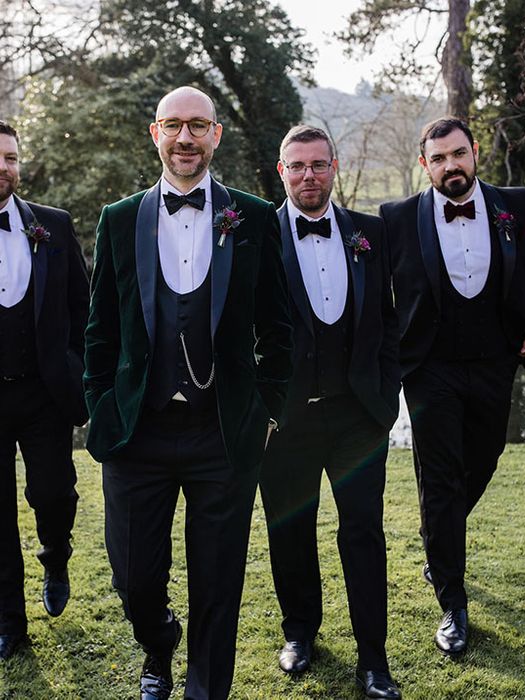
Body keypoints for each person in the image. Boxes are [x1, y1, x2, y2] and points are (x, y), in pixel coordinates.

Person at [83, 86, 293, 700]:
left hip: (222, 435)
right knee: (134, 579)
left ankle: (205, 689)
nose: (185, 139)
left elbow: (279, 330)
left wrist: (268, 410)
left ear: (216, 135)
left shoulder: (253, 218)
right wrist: (101, 407)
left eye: (197, 126)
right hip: (137, 434)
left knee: (218, 583)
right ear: (155, 133)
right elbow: (99, 332)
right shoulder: (118, 220)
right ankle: (158, 643)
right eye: (173, 126)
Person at [379, 117, 525, 657]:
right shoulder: (397, 218)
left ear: (474, 152)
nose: (450, 166)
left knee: (482, 460)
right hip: (428, 368)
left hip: (494, 362)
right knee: (440, 478)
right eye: (438, 159)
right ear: (424, 164)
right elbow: (368, 285)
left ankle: (438, 537)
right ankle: (452, 603)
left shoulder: (516, 205)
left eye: (458, 154)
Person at [259, 125, 401, 699]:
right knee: (289, 529)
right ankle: (300, 633)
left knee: (363, 533)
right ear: (281, 171)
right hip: (284, 420)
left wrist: (384, 398)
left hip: (357, 418)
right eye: (297, 166)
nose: (308, 176)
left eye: (318, 165)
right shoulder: (256, 236)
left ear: (334, 167)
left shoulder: (370, 233)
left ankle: (374, 660)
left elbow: (391, 322)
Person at [0, 120, 89, 661]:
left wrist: (75, 369)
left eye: (10, 157)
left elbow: (84, 309)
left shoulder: (51, 226)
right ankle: (9, 621)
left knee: (53, 492)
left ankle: (55, 554)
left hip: (43, 394)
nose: (3, 167)